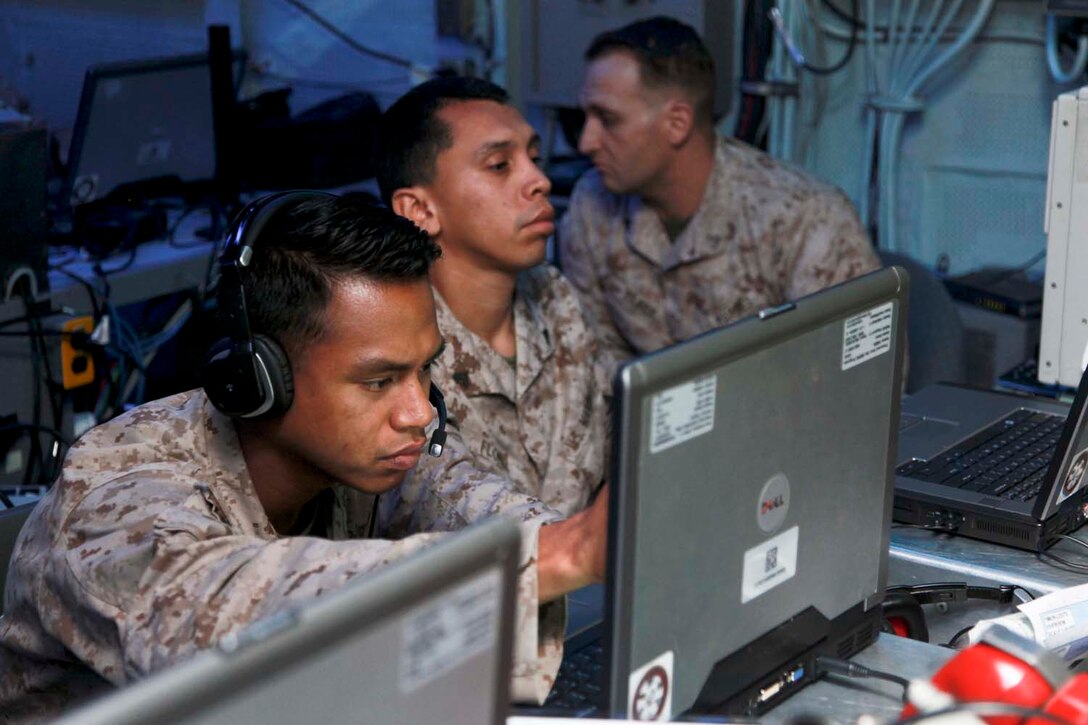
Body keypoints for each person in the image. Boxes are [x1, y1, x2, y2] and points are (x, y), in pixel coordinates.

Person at [0, 195, 607, 720]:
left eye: (424, 370)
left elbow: (483, 504)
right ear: (259, 378)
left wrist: (563, 537)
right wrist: (564, 553)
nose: (418, 411)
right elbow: (225, 624)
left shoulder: (370, 450)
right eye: (379, 381)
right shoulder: (113, 496)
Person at [558, 16, 881, 370]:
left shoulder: (803, 217)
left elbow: (859, 379)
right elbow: (593, 363)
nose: (586, 142)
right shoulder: (592, 204)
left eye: (608, 120)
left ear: (677, 123)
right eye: (584, 119)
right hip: (646, 422)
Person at [377, 78, 610, 518]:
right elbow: (446, 504)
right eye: (500, 165)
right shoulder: (390, 353)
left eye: (535, 159)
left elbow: (612, 441)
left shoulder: (555, 298)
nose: (539, 181)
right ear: (420, 210)